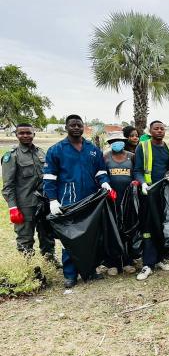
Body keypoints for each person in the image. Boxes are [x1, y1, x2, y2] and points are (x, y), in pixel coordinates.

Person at [43, 115, 113, 288]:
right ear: (66, 127)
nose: (76, 128)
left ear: (83, 127)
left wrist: (104, 182)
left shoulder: (92, 149)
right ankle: (70, 275)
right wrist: (52, 200)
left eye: (79, 125)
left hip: (90, 200)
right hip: (68, 201)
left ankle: (90, 271)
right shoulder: (56, 150)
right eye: (72, 125)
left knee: (91, 236)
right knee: (70, 238)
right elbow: (49, 177)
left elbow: (100, 171)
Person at [133, 120, 169, 281]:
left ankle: (160, 259)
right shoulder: (143, 147)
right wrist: (143, 183)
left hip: (165, 193)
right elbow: (137, 169)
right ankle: (148, 263)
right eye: (156, 128)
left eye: (162, 128)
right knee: (148, 228)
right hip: (148, 193)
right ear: (150, 131)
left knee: (163, 225)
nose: (160, 131)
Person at [2, 123, 56, 260]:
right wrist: (13, 208)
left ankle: (49, 260)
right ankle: (28, 266)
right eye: (22, 133)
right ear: (16, 135)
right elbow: (8, 185)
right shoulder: (11, 156)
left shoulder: (41, 153)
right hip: (25, 204)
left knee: (46, 234)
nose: (25, 135)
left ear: (34, 134)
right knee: (25, 238)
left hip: (43, 202)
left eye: (28, 133)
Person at [103, 134, 137, 276]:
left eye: (120, 141)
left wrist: (136, 182)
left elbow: (137, 172)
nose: (117, 144)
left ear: (124, 142)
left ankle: (128, 261)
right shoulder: (105, 157)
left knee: (127, 229)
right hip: (111, 199)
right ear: (110, 143)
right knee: (112, 230)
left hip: (128, 198)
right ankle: (113, 263)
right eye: (113, 142)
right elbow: (100, 175)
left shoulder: (131, 156)